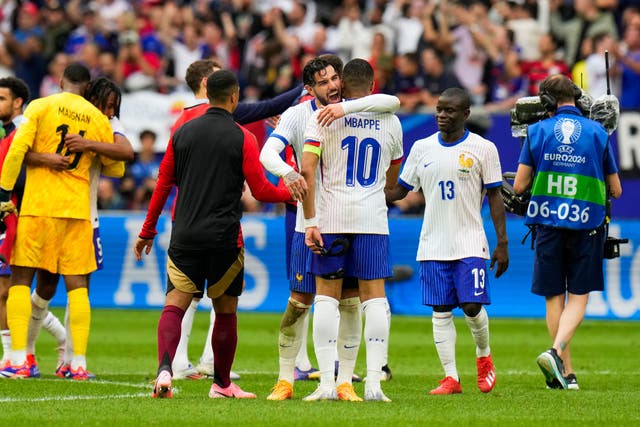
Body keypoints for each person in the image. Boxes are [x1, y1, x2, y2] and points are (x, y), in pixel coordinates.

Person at [134, 59, 304, 381]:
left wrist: (147, 231)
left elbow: (163, 183)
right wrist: (291, 192)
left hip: (184, 229)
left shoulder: (181, 130)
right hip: (224, 235)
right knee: (225, 310)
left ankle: (166, 370)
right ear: (234, 97)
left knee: (175, 304)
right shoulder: (243, 137)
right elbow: (262, 190)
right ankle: (222, 383)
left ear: (205, 92)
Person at [259, 55, 400, 401]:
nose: (333, 86)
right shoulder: (299, 115)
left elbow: (387, 101)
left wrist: (345, 109)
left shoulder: (348, 112)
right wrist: (288, 174)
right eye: (323, 82)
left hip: (333, 219)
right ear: (309, 89)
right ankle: (285, 379)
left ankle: (342, 382)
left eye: (335, 78)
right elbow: (268, 153)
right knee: (299, 301)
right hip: (309, 224)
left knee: (349, 302)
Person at [0, 64, 122, 379]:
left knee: (21, 281)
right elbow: (117, 169)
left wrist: (3, 195)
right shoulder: (96, 118)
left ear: (60, 82)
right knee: (77, 287)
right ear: (87, 87)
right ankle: (77, 364)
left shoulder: (41, 106)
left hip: (38, 207)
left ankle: (17, 360)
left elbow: (16, 151)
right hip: (78, 210)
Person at [386, 87, 509, 395]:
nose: (441, 115)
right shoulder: (422, 148)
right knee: (440, 309)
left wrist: (502, 242)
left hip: (470, 241)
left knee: (470, 305)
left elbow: (495, 195)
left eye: (449, 110)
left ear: (465, 114)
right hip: (432, 242)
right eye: (439, 109)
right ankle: (451, 377)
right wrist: (366, 190)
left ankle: (484, 357)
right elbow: (400, 191)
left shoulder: (483, 149)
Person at [300, 58, 403, 402]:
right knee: (374, 299)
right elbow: (392, 178)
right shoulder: (391, 122)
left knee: (327, 298)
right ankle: (373, 384)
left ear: (341, 84)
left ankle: (327, 385)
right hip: (373, 218)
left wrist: (310, 221)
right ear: (372, 87)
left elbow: (308, 171)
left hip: (331, 218)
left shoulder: (323, 117)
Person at [513, 74, 622, 390]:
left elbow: (519, 186)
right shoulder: (598, 132)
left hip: (547, 226)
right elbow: (615, 189)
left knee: (553, 299)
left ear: (546, 103)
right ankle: (559, 358)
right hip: (587, 227)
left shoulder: (536, 131)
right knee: (578, 297)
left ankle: (565, 370)